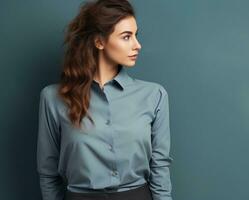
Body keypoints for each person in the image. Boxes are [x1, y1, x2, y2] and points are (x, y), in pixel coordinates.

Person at [36, 0, 174, 200]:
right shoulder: (53, 98)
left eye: (136, 35)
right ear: (99, 42)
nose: (137, 45)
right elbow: (47, 172)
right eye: (126, 37)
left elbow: (160, 168)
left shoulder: (154, 96)